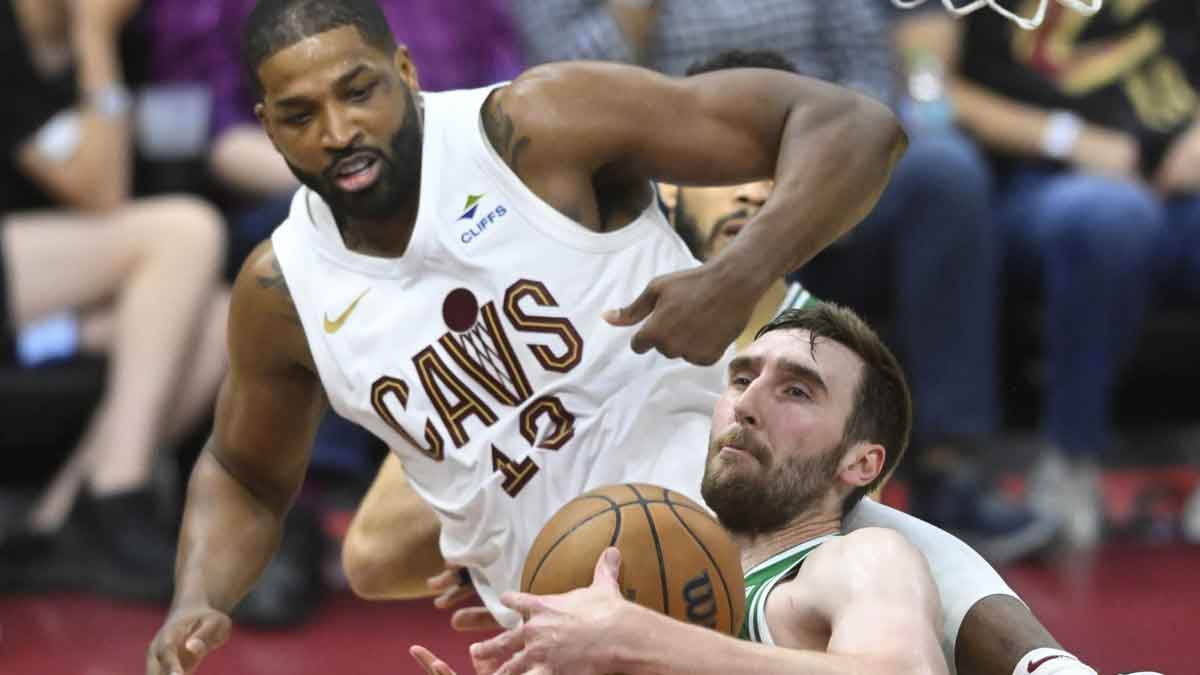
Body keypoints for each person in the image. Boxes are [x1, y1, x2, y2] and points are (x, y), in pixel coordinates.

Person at [144, 0, 905, 672]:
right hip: (560, 642)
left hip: (759, 562)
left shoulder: (534, 127)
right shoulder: (281, 291)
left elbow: (855, 127)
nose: (339, 132)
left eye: (358, 91)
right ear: (266, 125)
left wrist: (735, 276)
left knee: (947, 620)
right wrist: (197, 594)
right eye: (300, 114)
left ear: (404, 69)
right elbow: (244, 472)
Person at [409, 306, 1097, 675]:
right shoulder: (647, 584)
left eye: (795, 389)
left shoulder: (849, 565)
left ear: (861, 462)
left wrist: (637, 640)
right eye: (741, 378)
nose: (747, 403)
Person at [945, 1, 1200, 546]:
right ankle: (1070, 460)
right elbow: (929, 85)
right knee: (1110, 216)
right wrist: (1065, 137)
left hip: (1180, 174)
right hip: (1041, 179)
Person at [0, 0, 229, 600]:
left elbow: (130, 185)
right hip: (25, 266)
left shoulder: (132, 37)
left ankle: (59, 521)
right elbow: (100, 189)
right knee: (185, 230)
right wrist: (94, 37)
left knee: (222, 316)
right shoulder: (26, 36)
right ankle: (119, 494)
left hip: (57, 292)